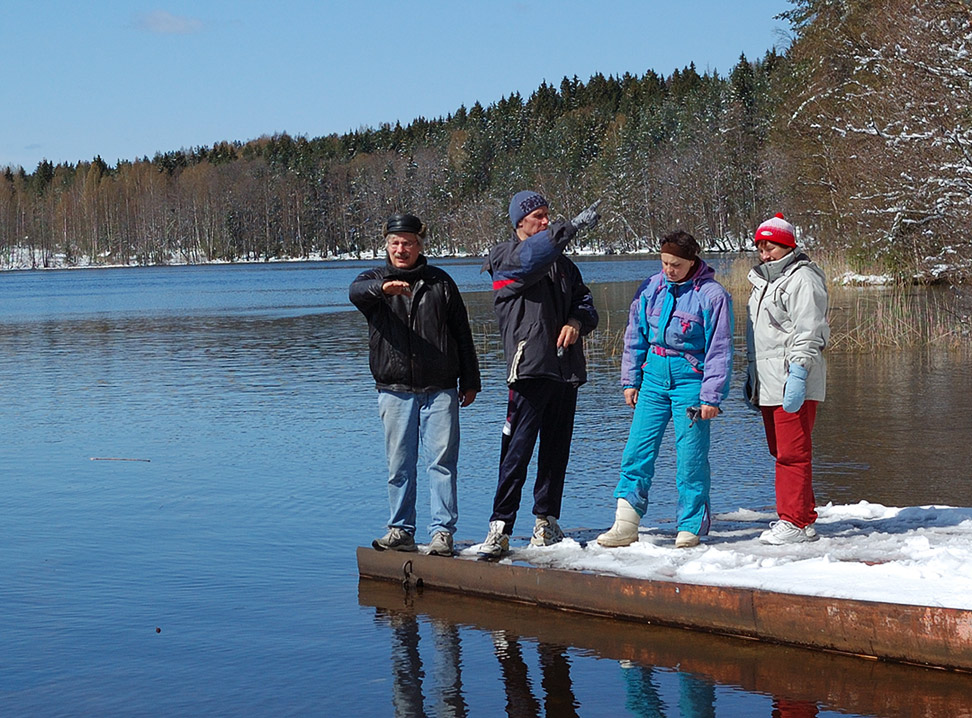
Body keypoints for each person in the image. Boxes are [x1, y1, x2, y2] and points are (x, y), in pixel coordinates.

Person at [477, 191, 601, 558]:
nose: (546, 222)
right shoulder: (505, 258)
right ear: (519, 223)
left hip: (564, 369)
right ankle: (500, 526)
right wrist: (571, 227)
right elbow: (532, 257)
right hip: (529, 369)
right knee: (517, 451)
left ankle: (545, 521)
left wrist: (576, 321)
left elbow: (586, 302)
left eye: (549, 216)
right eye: (539, 217)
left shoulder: (564, 266)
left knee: (555, 451)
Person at [349, 213, 481, 556]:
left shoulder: (441, 283)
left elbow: (462, 335)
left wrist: (470, 380)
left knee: (442, 464)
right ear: (387, 245)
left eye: (408, 242)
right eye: (395, 242)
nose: (401, 248)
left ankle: (442, 533)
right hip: (394, 390)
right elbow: (355, 292)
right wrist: (384, 288)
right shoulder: (374, 281)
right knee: (399, 466)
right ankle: (400, 530)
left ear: (420, 245)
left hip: (440, 388)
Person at [597, 231, 733, 549]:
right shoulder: (651, 288)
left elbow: (720, 348)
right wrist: (630, 380)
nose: (669, 269)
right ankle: (626, 523)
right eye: (664, 262)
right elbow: (635, 335)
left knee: (691, 458)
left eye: (676, 264)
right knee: (637, 451)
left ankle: (690, 525)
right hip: (653, 382)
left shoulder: (712, 295)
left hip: (691, 383)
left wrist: (711, 396)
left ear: (692, 262)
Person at [745, 213, 829, 545]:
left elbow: (810, 331)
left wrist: (798, 372)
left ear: (788, 246)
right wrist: (751, 374)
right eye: (761, 247)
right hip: (767, 380)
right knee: (779, 449)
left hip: (793, 377)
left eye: (772, 247)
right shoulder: (762, 281)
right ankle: (805, 517)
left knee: (792, 452)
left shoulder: (803, 279)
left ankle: (792, 519)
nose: (765, 254)